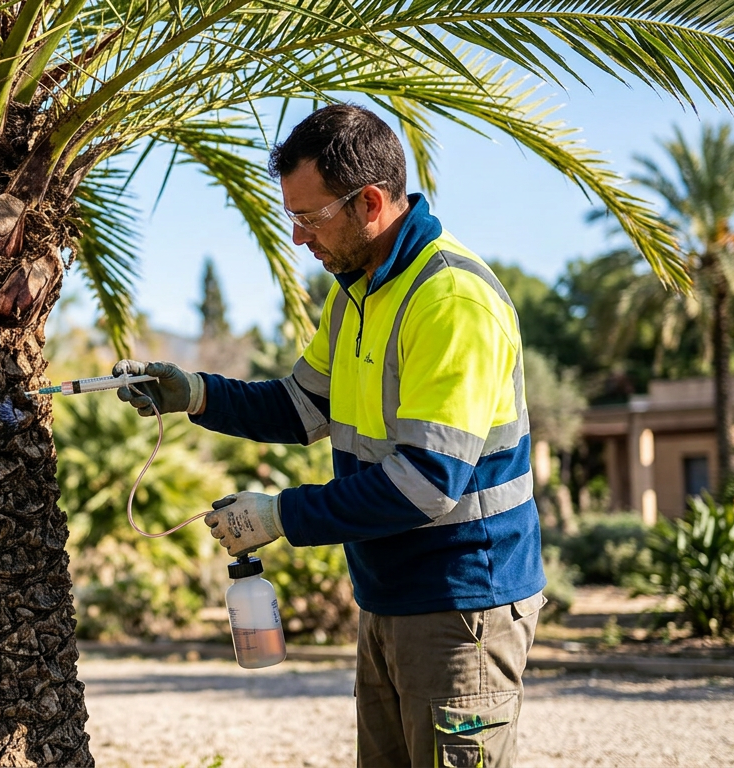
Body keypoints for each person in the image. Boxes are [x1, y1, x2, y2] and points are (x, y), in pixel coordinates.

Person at [113, 104, 546, 768]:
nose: (296, 237)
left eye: (309, 219)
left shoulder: (450, 301)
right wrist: (195, 394)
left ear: (370, 202)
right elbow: (298, 406)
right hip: (389, 597)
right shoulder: (358, 294)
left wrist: (280, 515)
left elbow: (427, 484)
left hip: (464, 605)